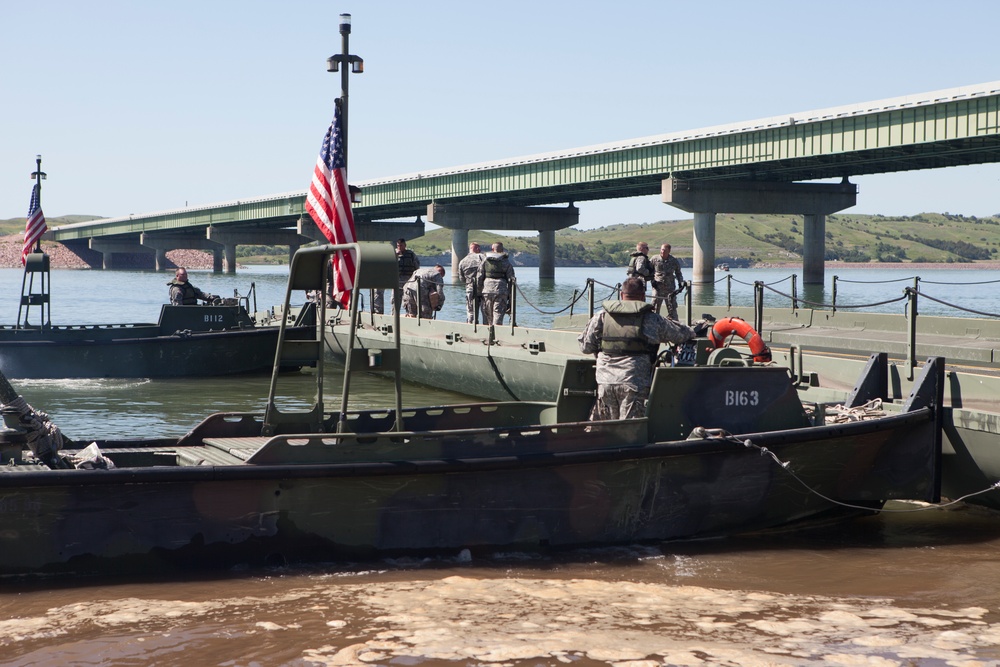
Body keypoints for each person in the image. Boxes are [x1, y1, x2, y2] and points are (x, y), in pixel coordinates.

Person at [577, 277, 695, 420]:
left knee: (605, 431)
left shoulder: (601, 317)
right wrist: (695, 329)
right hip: (634, 384)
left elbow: (585, 347)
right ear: (643, 297)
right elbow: (680, 335)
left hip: (605, 383)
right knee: (631, 433)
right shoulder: (651, 319)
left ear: (621, 295)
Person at [373, 238, 420, 314]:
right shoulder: (393, 254)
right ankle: (393, 315)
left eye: (401, 245)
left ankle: (410, 315)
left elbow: (417, 266)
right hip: (396, 280)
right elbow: (387, 266)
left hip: (408, 281)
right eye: (398, 245)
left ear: (405, 245)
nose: (399, 247)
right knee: (395, 300)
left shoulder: (411, 254)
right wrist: (395, 256)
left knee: (408, 300)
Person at [477, 242, 516, 325]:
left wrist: (479, 291)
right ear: (502, 250)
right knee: (498, 314)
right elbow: (511, 280)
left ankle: (487, 334)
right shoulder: (506, 262)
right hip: (501, 290)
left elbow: (479, 277)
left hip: (486, 290)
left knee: (487, 315)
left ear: (492, 249)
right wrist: (510, 296)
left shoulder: (485, 260)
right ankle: (496, 334)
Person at [650, 242, 685, 320]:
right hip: (657, 287)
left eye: (665, 250)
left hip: (670, 288)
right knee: (655, 306)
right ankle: (653, 323)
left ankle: (675, 325)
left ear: (669, 251)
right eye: (662, 250)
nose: (662, 252)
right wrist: (652, 281)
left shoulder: (673, 260)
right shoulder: (654, 259)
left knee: (672, 307)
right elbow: (649, 271)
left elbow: (678, 273)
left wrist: (681, 283)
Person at [456, 242, 485, 324]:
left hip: (470, 288)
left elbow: (461, 279)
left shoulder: (462, 261)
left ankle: (471, 328)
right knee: (485, 312)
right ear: (478, 249)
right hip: (483, 288)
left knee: (471, 311)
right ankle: (487, 329)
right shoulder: (483, 258)